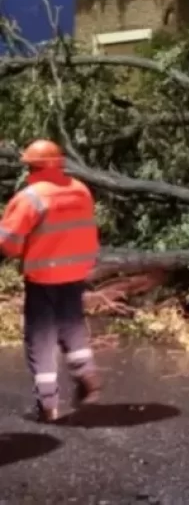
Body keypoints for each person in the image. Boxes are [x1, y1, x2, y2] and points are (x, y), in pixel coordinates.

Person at [0, 139, 102, 422]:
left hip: (44, 276)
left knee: (40, 337)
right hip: (77, 272)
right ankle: (87, 374)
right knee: (71, 325)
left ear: (31, 167)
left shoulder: (30, 198)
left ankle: (47, 404)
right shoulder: (80, 189)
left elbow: (9, 245)